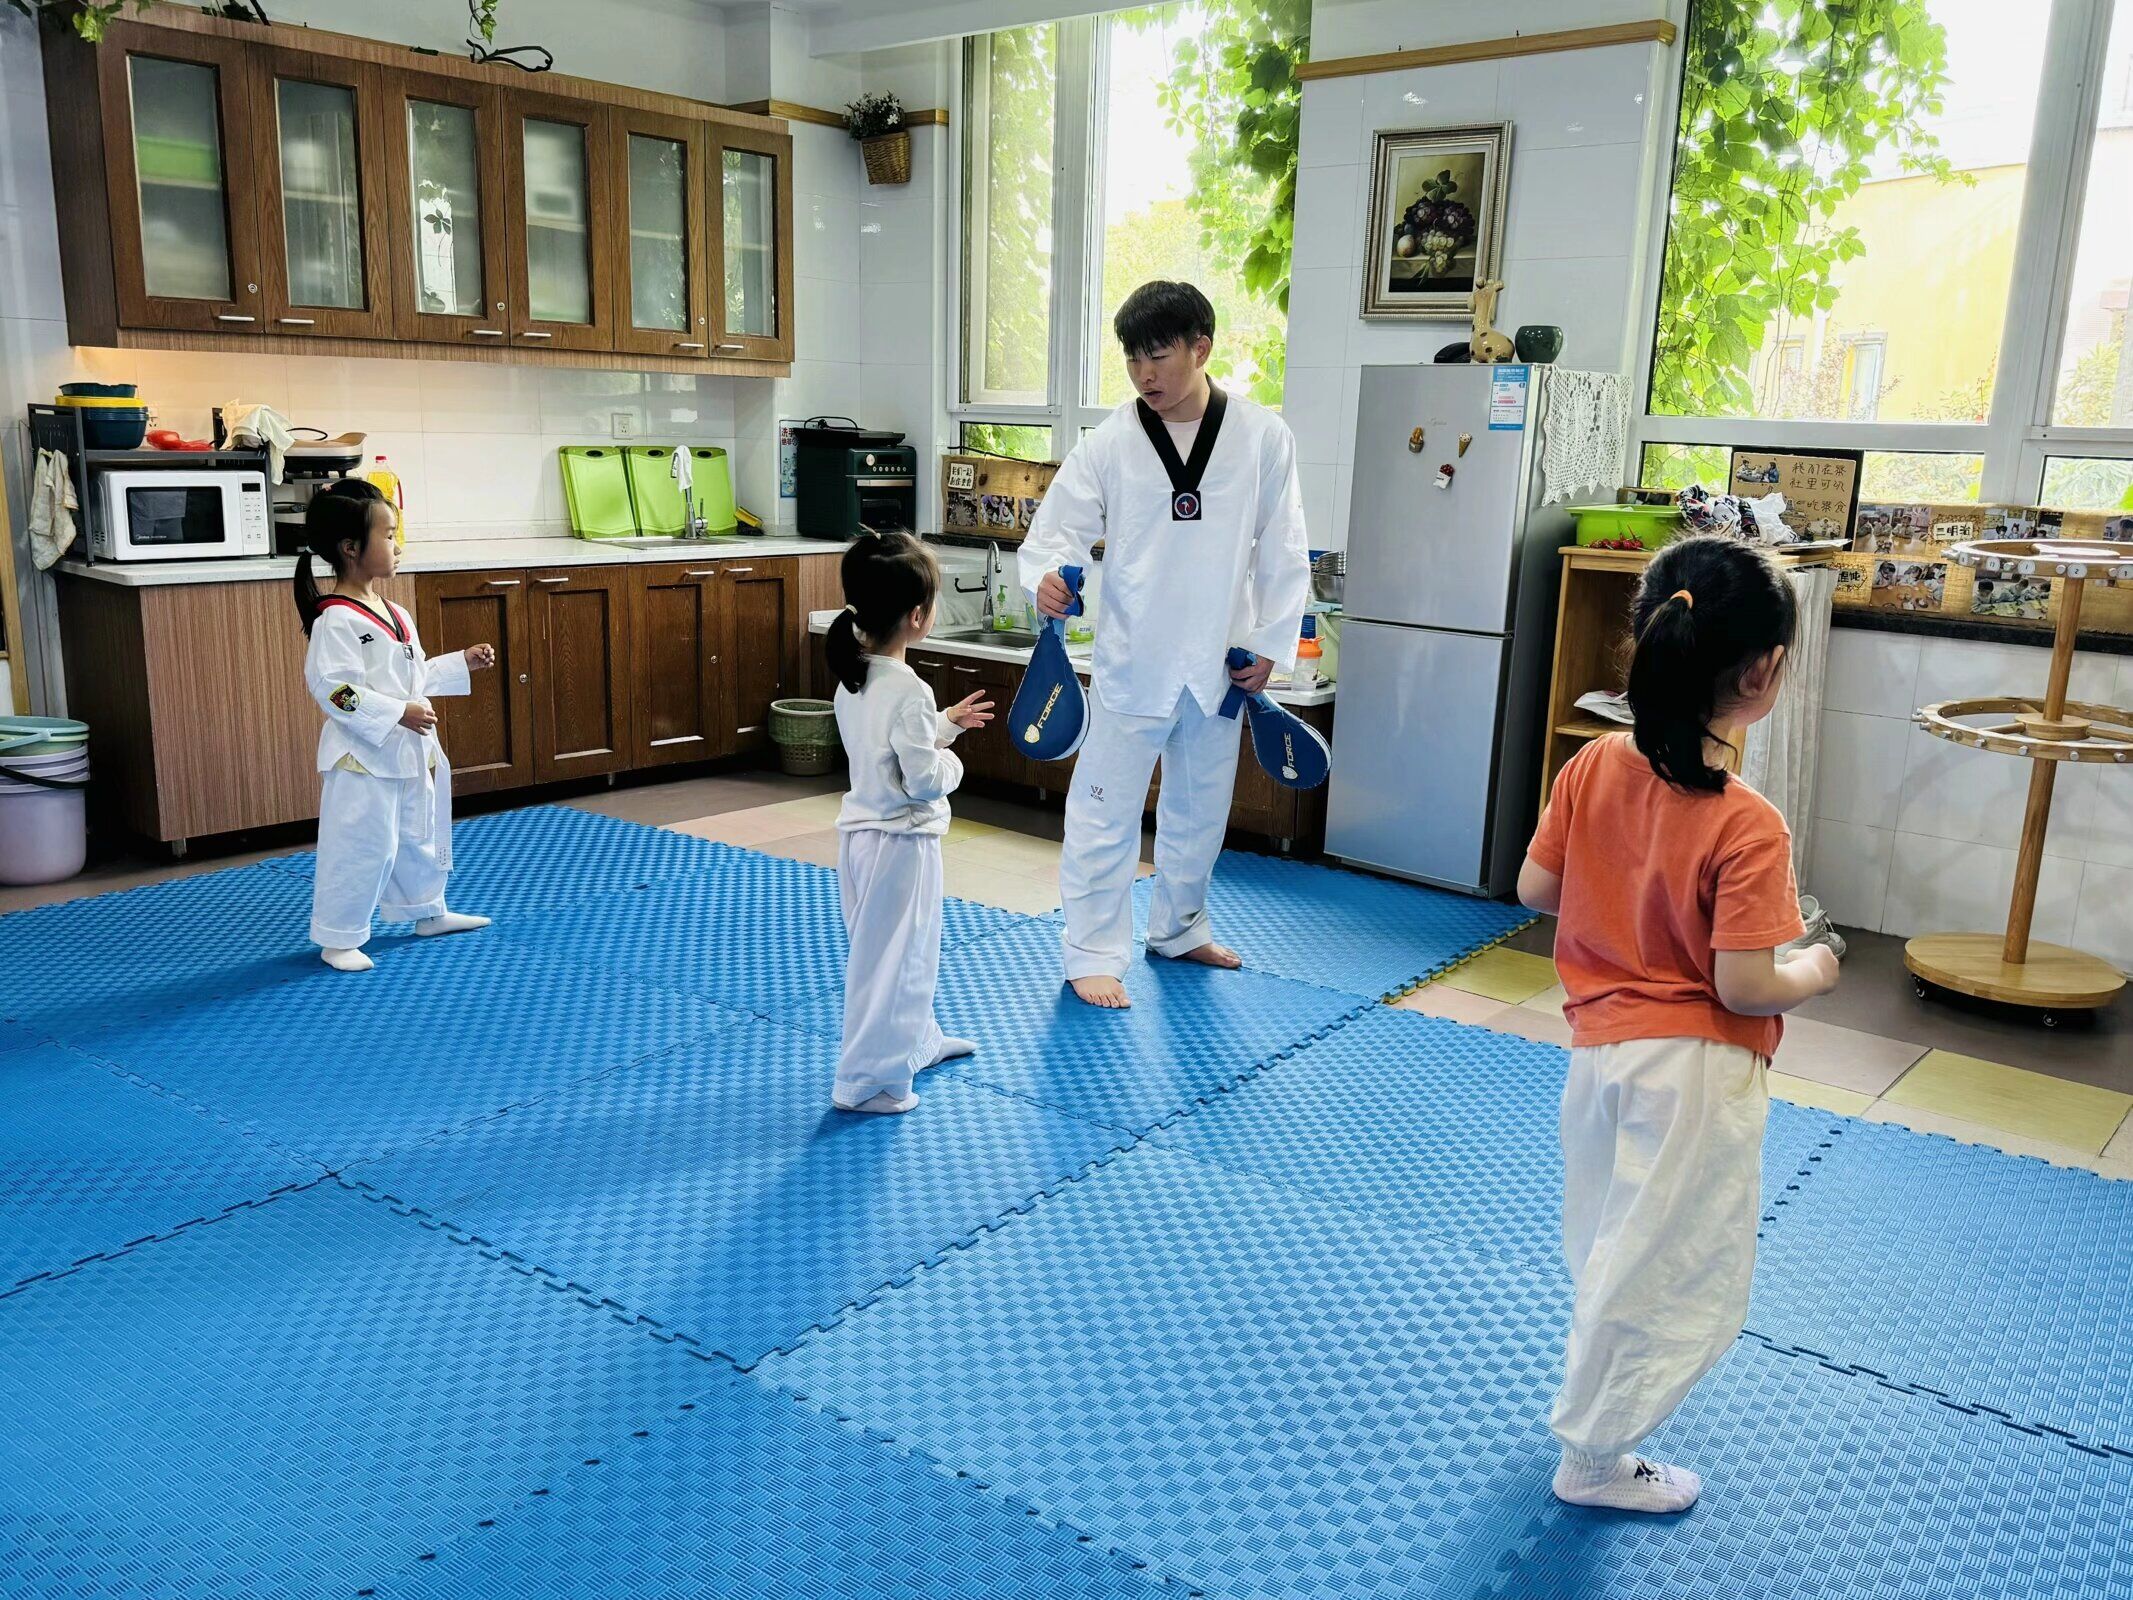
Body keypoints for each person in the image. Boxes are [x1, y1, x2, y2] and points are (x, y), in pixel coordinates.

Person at [1517, 536, 1840, 1514]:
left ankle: (1595, 1418)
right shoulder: (1748, 822)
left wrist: (1616, 883)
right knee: (1667, 1264)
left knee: (1613, 1244)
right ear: (1763, 673)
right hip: (1693, 1075)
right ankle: (1592, 1456)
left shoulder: (1591, 765)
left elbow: (1536, 888)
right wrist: (1816, 966)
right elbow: (1743, 986)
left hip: (1599, 1055)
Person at [1019, 280, 1311, 1008]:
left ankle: (1180, 929)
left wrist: (1270, 640)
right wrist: (1048, 579)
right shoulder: (1109, 441)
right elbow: (1055, 532)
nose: (1143, 374)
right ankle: (1092, 952)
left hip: (1219, 661)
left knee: (1200, 813)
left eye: (1158, 355)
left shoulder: (1262, 436)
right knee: (1102, 814)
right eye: (1132, 358)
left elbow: (1283, 546)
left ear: (1199, 348)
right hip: (1134, 659)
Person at [825, 531, 994, 1114]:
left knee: (891, 956)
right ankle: (868, 1083)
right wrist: (955, 762)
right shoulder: (909, 688)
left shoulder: (856, 675)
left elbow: (886, 750)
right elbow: (921, 779)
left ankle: (917, 1040)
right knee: (897, 963)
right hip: (902, 844)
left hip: (861, 838)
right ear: (918, 617)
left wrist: (945, 723)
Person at [295, 479, 494, 972]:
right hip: (361, 758)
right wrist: (396, 712)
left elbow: (412, 676)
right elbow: (334, 690)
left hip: (406, 750)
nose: (397, 545)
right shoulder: (336, 620)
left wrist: (460, 663)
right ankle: (338, 937)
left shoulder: (395, 611)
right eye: (387, 536)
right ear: (350, 548)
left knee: (415, 834)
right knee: (364, 847)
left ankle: (426, 910)